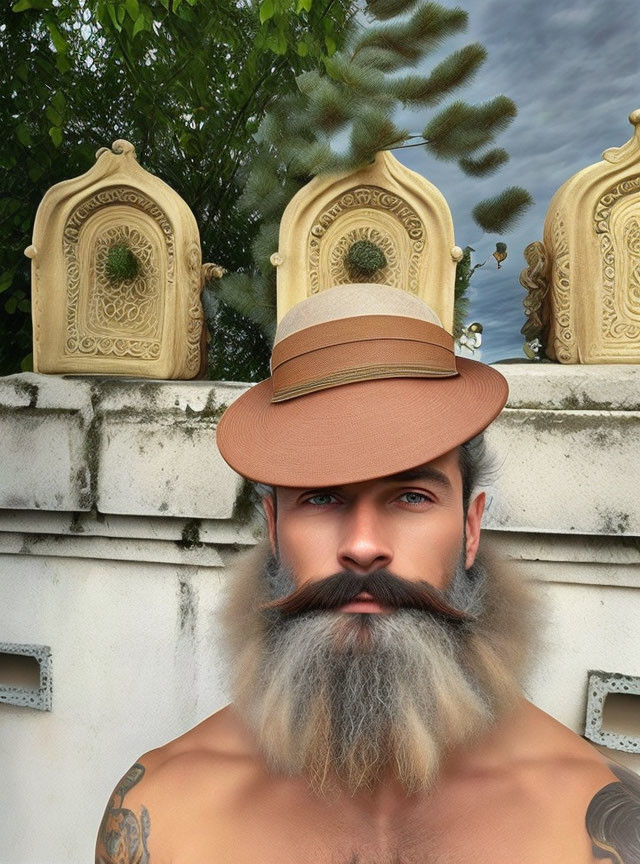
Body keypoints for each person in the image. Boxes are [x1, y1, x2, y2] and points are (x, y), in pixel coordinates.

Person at [95, 284, 640, 864]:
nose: (362, 547)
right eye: (322, 498)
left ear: (471, 528)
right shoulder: (163, 809)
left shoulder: (599, 823)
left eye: (410, 495)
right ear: (273, 529)